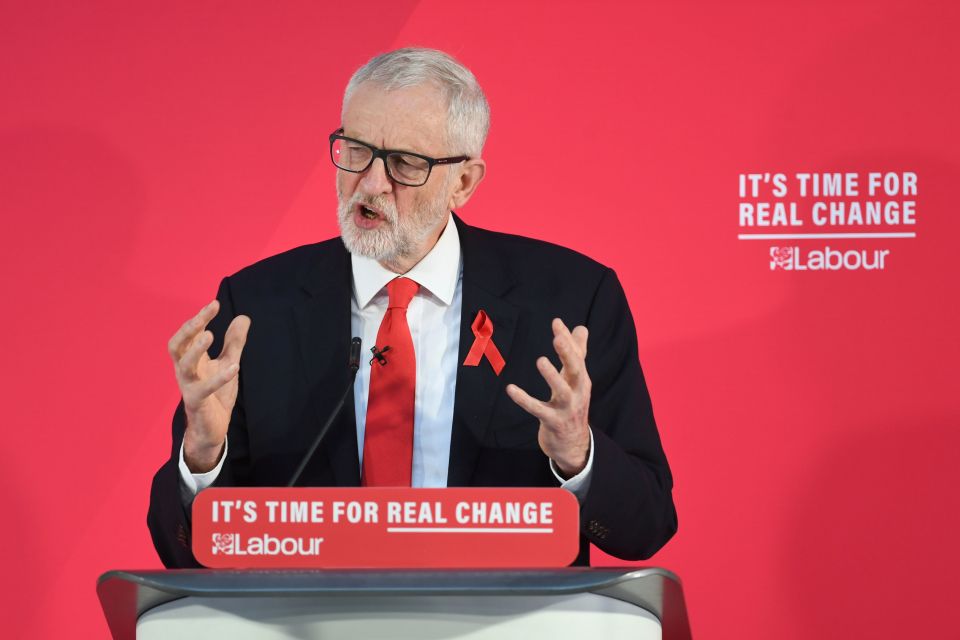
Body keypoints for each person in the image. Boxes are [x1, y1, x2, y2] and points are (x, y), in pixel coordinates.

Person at [148, 47, 677, 568]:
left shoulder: (569, 301)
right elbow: (182, 553)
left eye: (405, 163)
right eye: (356, 150)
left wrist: (577, 455)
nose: (371, 185)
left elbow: (647, 525)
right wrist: (201, 457)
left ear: (463, 182)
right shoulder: (256, 307)